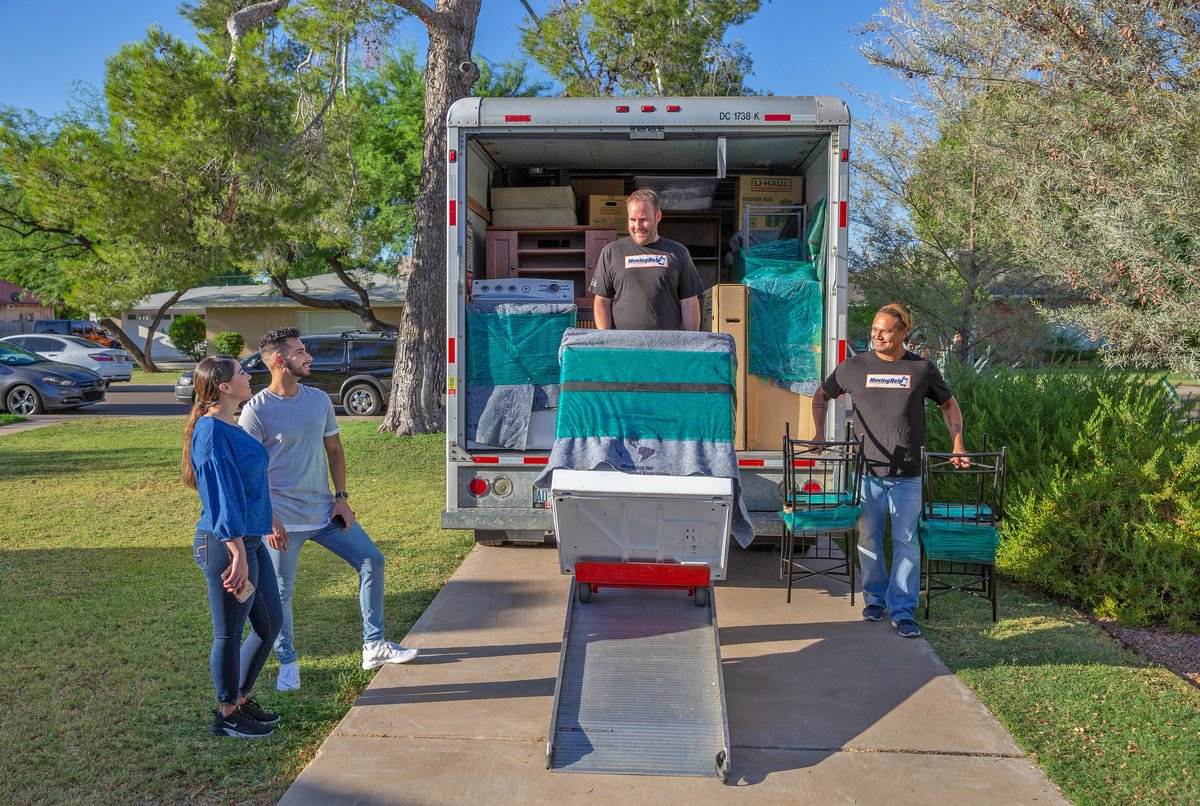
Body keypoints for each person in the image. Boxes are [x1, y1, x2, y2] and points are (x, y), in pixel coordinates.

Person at [239, 327, 418, 692]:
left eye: (306, 350)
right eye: (301, 352)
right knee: (282, 594)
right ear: (279, 360)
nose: (309, 357)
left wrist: (342, 497)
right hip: (282, 522)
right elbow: (248, 475)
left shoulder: (319, 400)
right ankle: (288, 663)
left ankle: (374, 646)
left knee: (372, 560)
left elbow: (334, 450)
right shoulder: (255, 412)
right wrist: (268, 520)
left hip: (325, 514)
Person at [811, 303, 968, 638]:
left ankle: (903, 609)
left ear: (903, 332)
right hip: (868, 474)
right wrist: (820, 432)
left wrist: (958, 443)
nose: (876, 335)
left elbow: (948, 404)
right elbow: (822, 395)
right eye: (874, 329)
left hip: (908, 477)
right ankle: (874, 599)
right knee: (868, 538)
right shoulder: (854, 367)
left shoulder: (922, 369)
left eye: (884, 330)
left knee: (906, 541)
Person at [183, 355, 283, 738]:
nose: (248, 376)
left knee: (269, 623)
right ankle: (225, 714)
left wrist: (267, 519)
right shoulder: (210, 432)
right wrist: (238, 552)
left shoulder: (229, 425)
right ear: (224, 387)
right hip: (226, 545)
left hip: (250, 539)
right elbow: (221, 495)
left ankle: (240, 700)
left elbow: (245, 485)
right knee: (229, 632)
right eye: (241, 373)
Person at [589, 188, 705, 331]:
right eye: (632, 220)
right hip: (623, 346)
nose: (637, 226)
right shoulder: (612, 252)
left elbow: (689, 302)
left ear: (658, 217)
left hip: (667, 346)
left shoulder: (679, 253)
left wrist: (690, 342)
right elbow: (602, 301)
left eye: (643, 220)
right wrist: (605, 339)